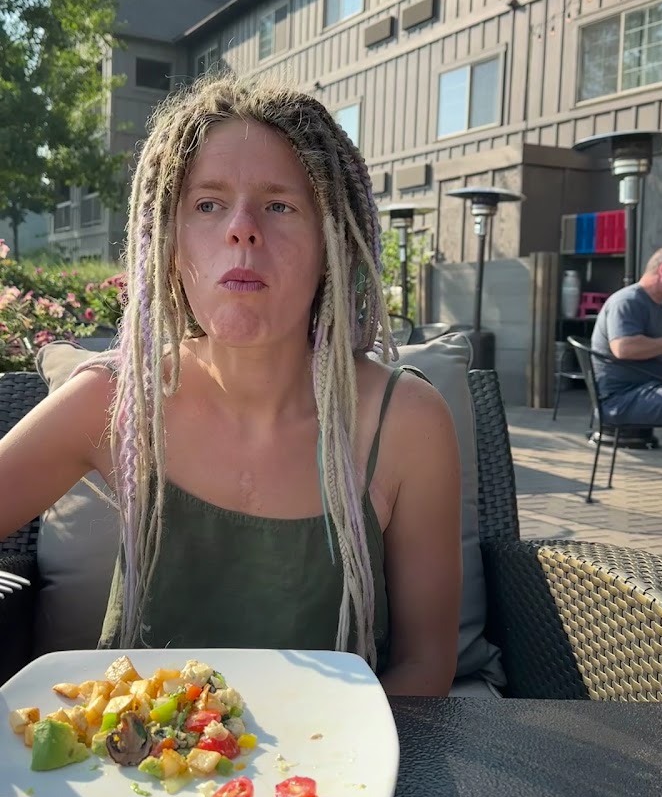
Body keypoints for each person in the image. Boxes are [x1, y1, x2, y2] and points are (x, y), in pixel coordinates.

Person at [0, 75, 462, 696]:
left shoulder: (407, 423)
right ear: (168, 242)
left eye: (279, 205)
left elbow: (427, 664)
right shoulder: (114, 400)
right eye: (208, 204)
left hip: (339, 753)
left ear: (335, 242)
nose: (242, 229)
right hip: (140, 755)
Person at [590, 246, 662, 426]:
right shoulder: (627, 301)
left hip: (647, 389)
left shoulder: (655, 306)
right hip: (622, 400)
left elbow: (656, 354)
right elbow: (624, 348)